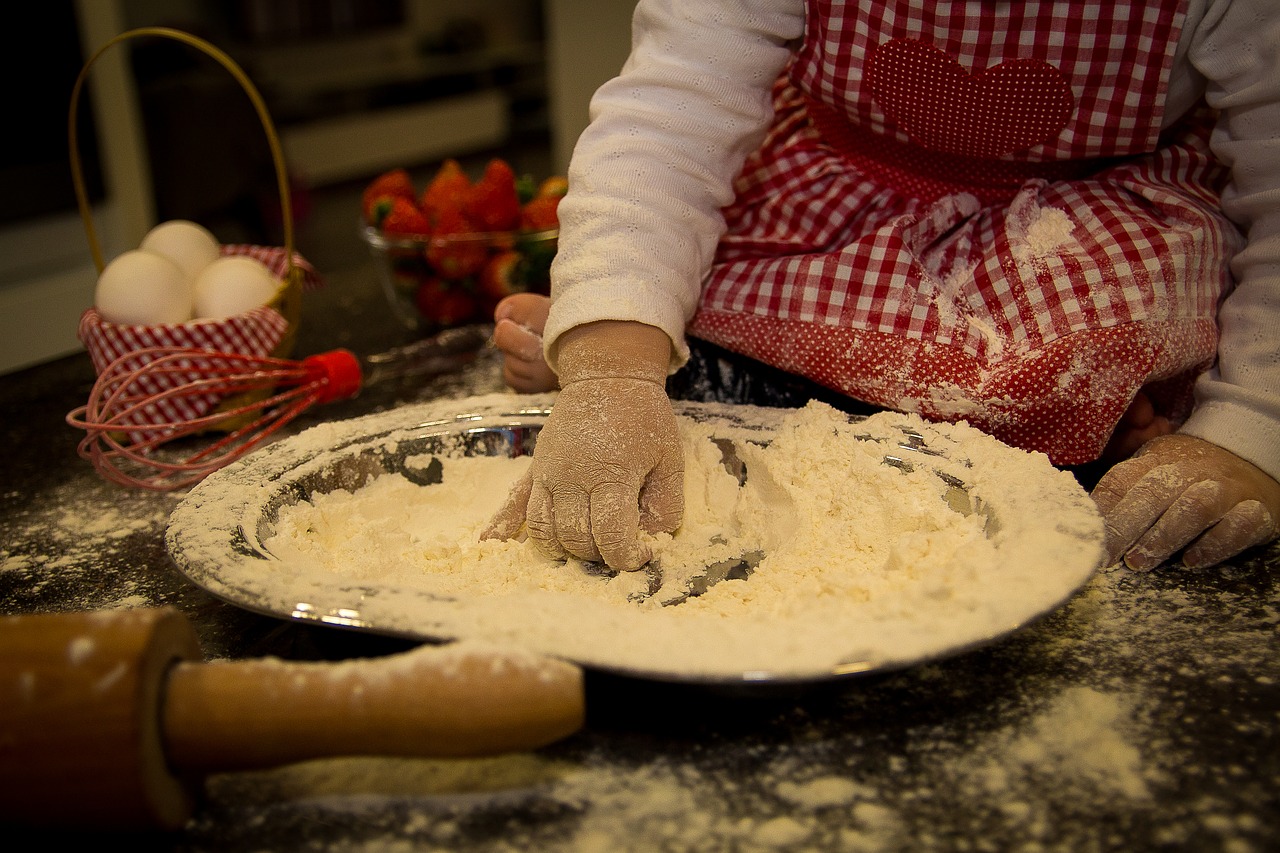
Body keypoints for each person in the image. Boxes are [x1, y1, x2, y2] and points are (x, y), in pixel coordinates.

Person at [484, 0, 1280, 574]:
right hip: (838, 206)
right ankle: (656, 342)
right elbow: (669, 117)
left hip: (1079, 232)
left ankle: (1095, 420)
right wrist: (610, 355)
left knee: (1073, 372)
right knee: (653, 296)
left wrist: (1248, 428)